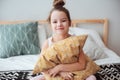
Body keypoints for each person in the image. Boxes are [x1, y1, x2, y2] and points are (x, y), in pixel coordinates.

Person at [31, 0, 96, 80]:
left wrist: (60, 67)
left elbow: (81, 64)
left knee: (92, 78)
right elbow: (42, 66)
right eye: (55, 22)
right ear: (50, 25)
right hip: (54, 74)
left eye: (63, 20)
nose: (59, 24)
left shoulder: (75, 41)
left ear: (69, 23)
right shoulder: (47, 43)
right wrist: (60, 72)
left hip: (75, 73)